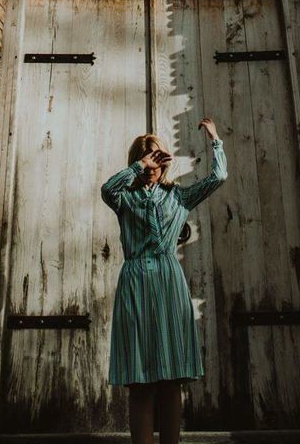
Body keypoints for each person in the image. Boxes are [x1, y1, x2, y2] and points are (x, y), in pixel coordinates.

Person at [100, 117, 227, 444]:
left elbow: (218, 176)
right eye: (146, 158)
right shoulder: (124, 199)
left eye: (158, 157)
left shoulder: (178, 197)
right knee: (140, 381)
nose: (153, 164)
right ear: (137, 161)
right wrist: (137, 167)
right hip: (136, 283)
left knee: (172, 379)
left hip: (169, 284)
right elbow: (106, 189)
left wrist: (215, 141)